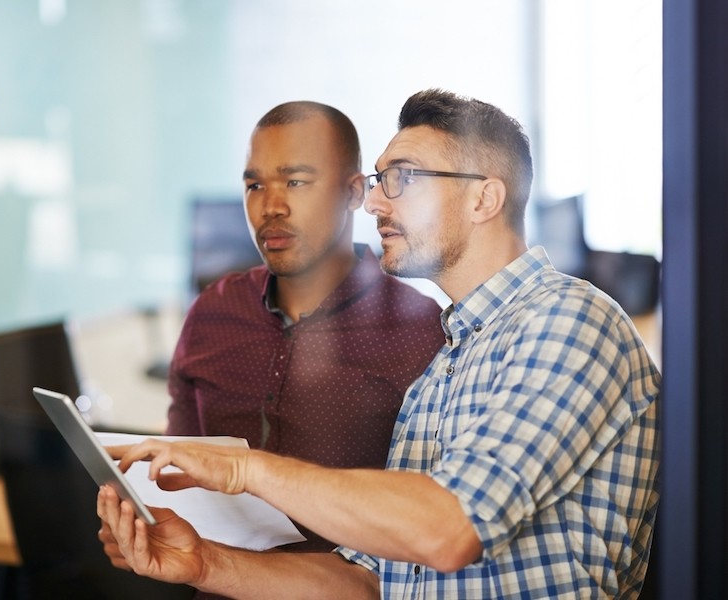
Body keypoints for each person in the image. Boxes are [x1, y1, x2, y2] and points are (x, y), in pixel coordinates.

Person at [98, 89, 661, 599]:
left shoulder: (569, 322)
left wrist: (246, 470)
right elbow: (365, 582)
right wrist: (202, 563)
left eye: (405, 178)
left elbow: (448, 530)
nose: (374, 204)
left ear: (484, 199)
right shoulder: (444, 368)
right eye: (381, 179)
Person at [164, 100, 445, 556]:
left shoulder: (421, 334)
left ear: (354, 193)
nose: (271, 206)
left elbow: (431, 527)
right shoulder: (212, 313)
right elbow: (180, 485)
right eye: (255, 185)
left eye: (295, 182)